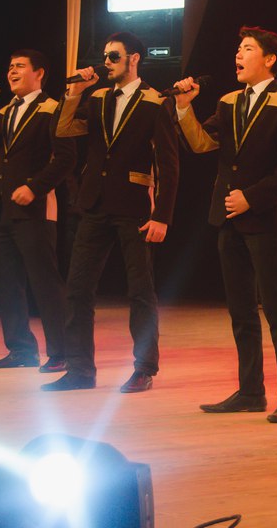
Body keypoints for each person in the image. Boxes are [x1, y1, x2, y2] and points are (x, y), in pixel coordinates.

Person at [172, 26, 277, 423]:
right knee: (241, 311)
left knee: (276, 309)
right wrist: (184, 109)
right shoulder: (229, 101)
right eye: (238, 48)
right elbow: (202, 143)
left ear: (269, 59)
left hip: (263, 217)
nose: (238, 54)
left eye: (247, 48)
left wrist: (252, 196)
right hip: (228, 217)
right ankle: (250, 391)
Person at [43, 32, 179, 393]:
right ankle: (79, 369)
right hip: (95, 203)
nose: (106, 62)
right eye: (105, 56)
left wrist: (162, 216)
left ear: (133, 59)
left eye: (114, 56)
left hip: (134, 205)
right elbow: (64, 129)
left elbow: (169, 164)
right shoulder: (98, 97)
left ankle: (144, 368)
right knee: (78, 289)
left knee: (140, 291)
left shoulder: (155, 102)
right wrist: (74, 94)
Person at [0, 49, 76, 373]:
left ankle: (62, 351)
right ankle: (20, 348)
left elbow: (66, 159)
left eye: (19, 66)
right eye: (10, 67)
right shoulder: (3, 111)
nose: (12, 72)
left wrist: (35, 187)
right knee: (6, 282)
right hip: (1, 208)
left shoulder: (53, 109)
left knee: (45, 282)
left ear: (39, 73)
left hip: (36, 209)